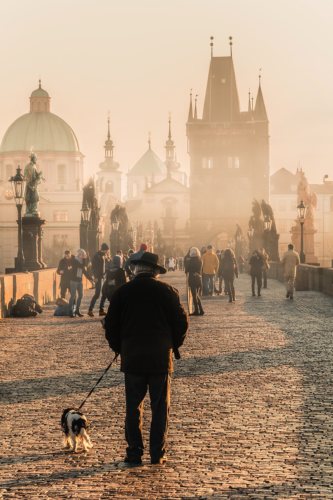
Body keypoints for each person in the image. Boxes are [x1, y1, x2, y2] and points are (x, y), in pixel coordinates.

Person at [105, 252, 189, 465]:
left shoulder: (122, 292)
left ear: (136, 270)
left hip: (133, 357)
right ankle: (157, 454)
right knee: (160, 407)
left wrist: (120, 348)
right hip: (161, 358)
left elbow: (111, 326)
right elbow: (182, 324)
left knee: (133, 407)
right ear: (155, 272)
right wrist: (172, 345)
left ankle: (134, 453)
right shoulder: (168, 291)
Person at [69, 249, 96, 317]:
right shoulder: (75, 261)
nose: (83, 256)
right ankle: (70, 311)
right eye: (83, 255)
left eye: (84, 255)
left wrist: (91, 279)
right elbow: (82, 266)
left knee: (80, 295)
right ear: (79, 255)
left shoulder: (81, 262)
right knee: (73, 296)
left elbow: (84, 271)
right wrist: (84, 260)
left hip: (79, 281)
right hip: (74, 280)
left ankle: (77, 310)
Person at [88, 243, 110, 317]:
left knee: (104, 293)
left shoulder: (103, 255)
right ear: (104, 249)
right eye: (107, 250)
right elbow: (93, 268)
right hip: (99, 277)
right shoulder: (97, 256)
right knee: (97, 294)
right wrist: (96, 277)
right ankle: (90, 310)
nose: (107, 251)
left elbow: (102, 267)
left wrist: (106, 271)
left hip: (103, 276)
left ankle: (101, 310)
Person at [186, 247, 204, 316]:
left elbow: (187, 270)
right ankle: (201, 310)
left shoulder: (191, 261)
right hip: (199, 278)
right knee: (196, 295)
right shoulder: (200, 260)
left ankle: (197, 310)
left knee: (194, 295)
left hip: (192, 279)